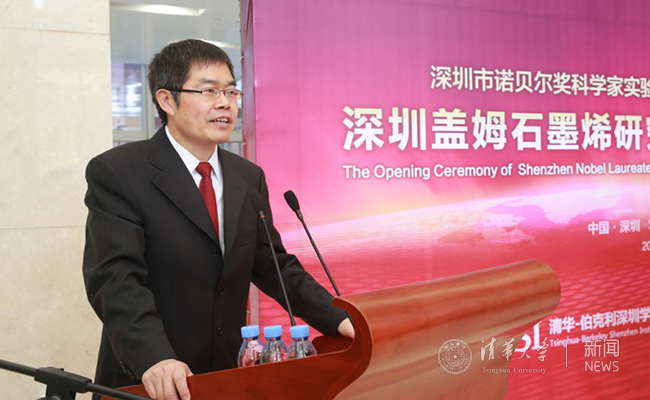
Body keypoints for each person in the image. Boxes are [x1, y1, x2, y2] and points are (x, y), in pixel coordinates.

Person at [82, 39, 353, 400]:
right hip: (152, 380)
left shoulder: (247, 176)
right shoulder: (120, 172)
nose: (225, 103)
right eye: (209, 91)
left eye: (230, 91)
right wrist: (155, 357)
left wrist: (339, 317)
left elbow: (274, 266)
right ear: (167, 100)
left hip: (226, 376)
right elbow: (114, 279)